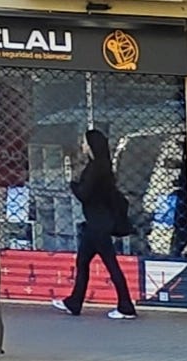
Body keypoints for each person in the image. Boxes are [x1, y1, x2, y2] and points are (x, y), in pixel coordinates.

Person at [62, 130, 139, 320]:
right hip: (98, 223)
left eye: (84, 142)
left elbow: (84, 194)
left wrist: (72, 184)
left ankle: (126, 306)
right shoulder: (104, 166)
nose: (82, 145)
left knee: (110, 264)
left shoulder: (95, 168)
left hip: (97, 224)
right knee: (83, 262)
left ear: (91, 146)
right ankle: (74, 302)